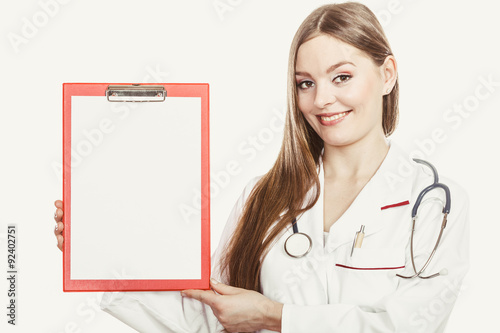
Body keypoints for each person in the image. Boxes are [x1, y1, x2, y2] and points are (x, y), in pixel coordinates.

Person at [53, 2, 469, 332]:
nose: (321, 99)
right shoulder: (263, 197)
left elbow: (410, 325)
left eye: (341, 77)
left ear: (388, 74)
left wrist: (276, 317)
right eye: (305, 83)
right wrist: (100, 255)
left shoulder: (433, 204)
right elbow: (207, 317)